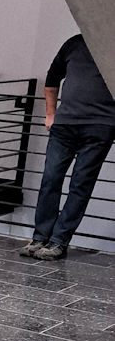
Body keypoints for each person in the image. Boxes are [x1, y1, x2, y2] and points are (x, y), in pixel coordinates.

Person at [20, 33, 115, 259]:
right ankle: (40, 237)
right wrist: (50, 114)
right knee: (50, 179)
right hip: (64, 125)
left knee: (80, 185)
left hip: (100, 127)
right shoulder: (74, 43)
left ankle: (59, 242)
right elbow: (52, 78)